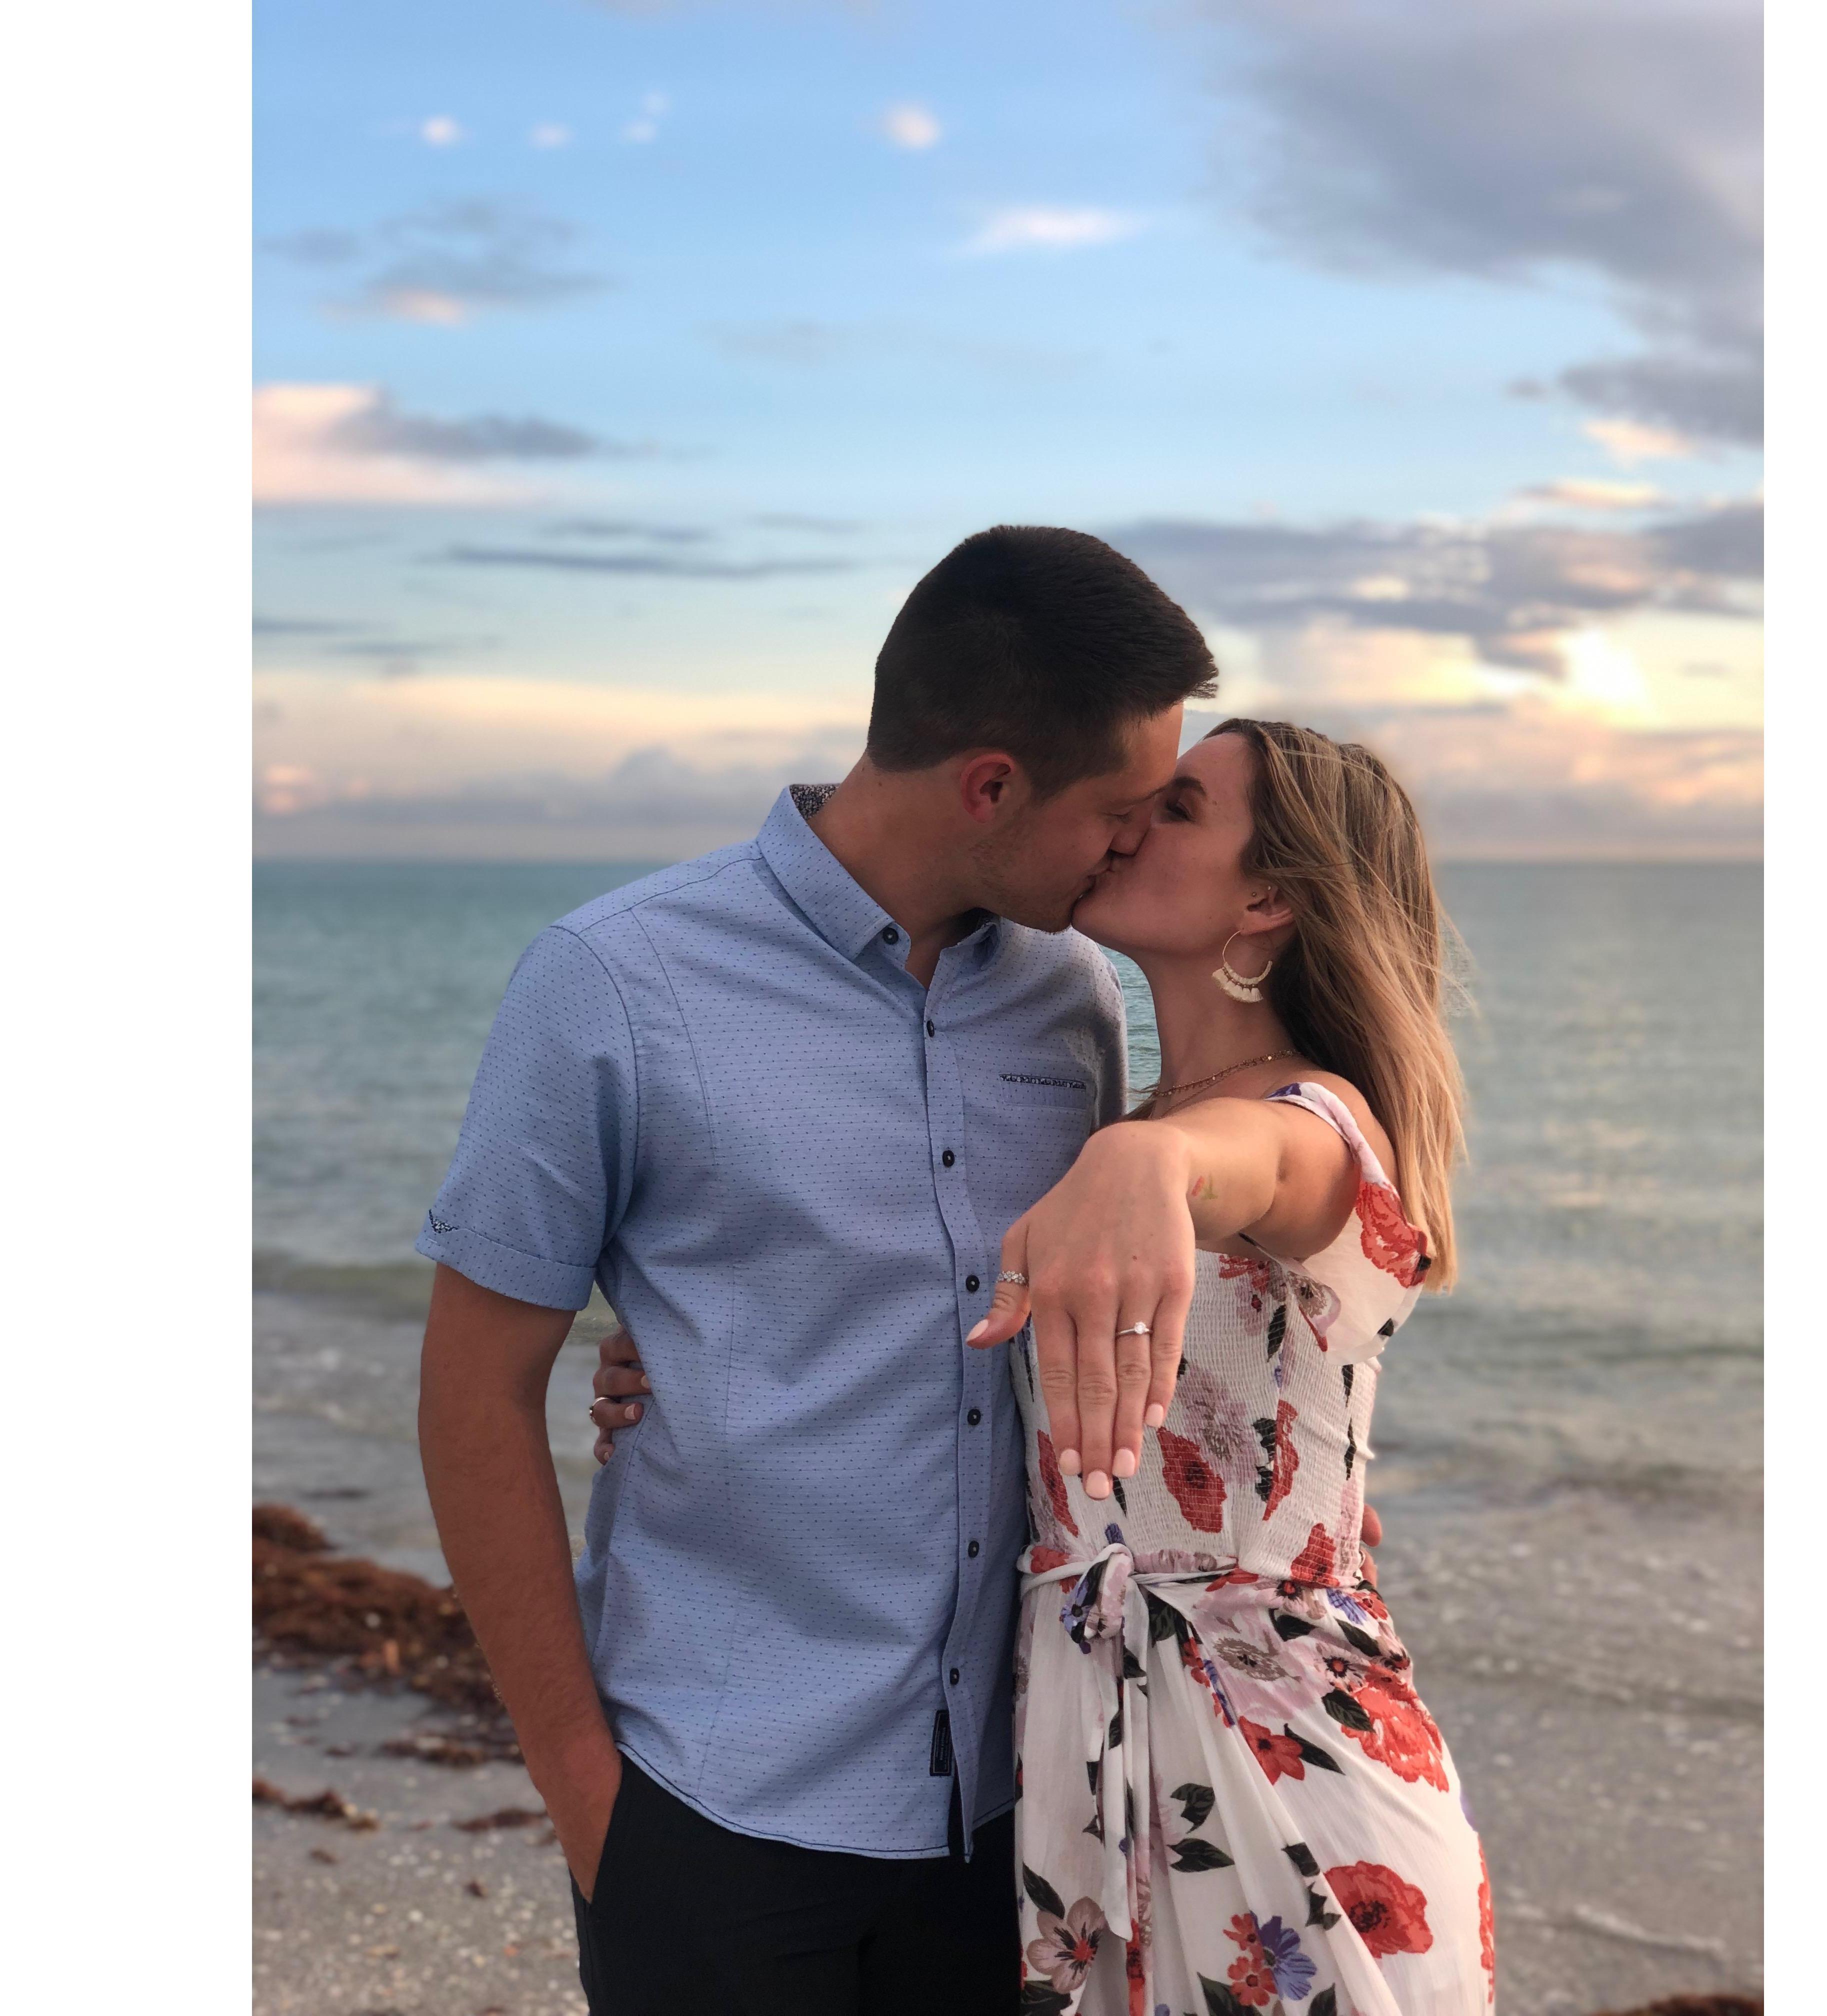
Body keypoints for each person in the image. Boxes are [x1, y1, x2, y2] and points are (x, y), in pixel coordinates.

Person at [413, 524, 1218, 2016]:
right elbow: (474, 1393)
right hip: (708, 1812)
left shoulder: (1073, 1001)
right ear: (989, 783)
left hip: (1009, 1822)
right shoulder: (611, 981)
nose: (1133, 846)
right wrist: (588, 1795)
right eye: (1116, 810)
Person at [594, 720, 1490, 2012]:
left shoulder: (1315, 1128)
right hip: (1083, 1772)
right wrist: (691, 1353)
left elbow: (1255, 1167)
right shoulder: (1117, 1119)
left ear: (1268, 896)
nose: (1127, 825)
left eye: (1177, 809)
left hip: (1289, 1776)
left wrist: (1154, 1168)